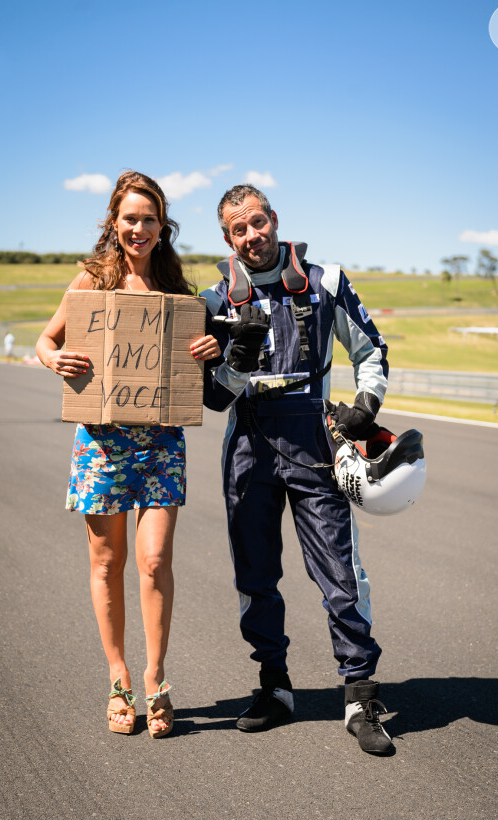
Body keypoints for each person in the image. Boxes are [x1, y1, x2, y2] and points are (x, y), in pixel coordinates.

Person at [201, 184, 392, 754]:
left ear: (273, 220)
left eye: (258, 222)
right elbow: (214, 400)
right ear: (228, 239)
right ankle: (275, 687)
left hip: (314, 435)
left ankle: (359, 694)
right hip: (247, 444)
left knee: (339, 572)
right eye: (239, 230)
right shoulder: (214, 301)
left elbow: (371, 351)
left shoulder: (325, 280)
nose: (252, 235)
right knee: (255, 576)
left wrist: (366, 406)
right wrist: (234, 360)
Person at [36, 171, 220, 738]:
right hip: (100, 441)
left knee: (155, 560)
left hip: (161, 444)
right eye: (130, 218)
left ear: (164, 227)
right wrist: (53, 360)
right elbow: (48, 340)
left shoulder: (175, 288)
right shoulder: (93, 280)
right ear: (114, 224)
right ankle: (119, 679)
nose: (139, 228)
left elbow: (193, 362)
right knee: (106, 561)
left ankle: (157, 677)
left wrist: (206, 349)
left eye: (150, 219)